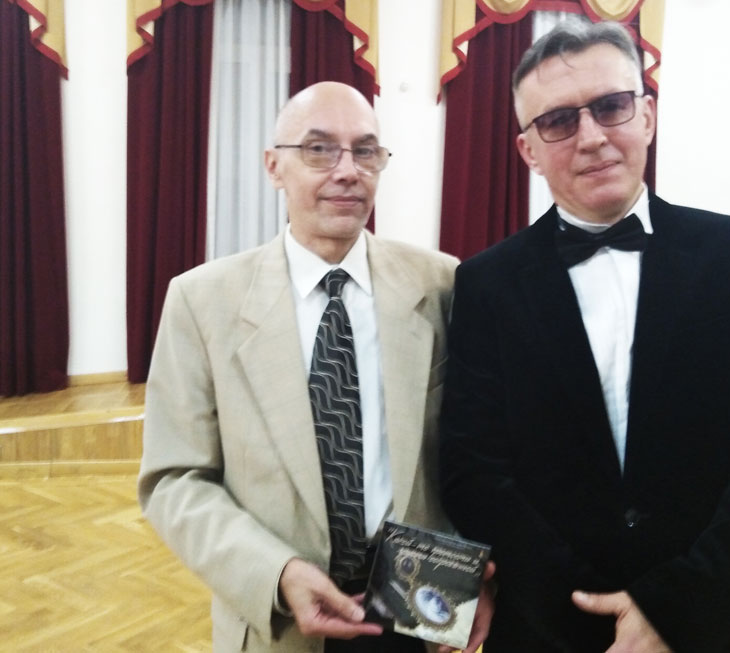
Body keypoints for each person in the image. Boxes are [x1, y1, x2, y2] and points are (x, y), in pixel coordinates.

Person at [438, 19, 730, 653]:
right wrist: (582, 616)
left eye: (611, 106)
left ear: (646, 116)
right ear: (528, 151)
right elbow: (473, 470)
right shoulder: (485, 284)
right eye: (558, 121)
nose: (592, 137)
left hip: (718, 625)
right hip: (551, 631)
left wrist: (680, 609)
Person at [138, 81, 492, 653]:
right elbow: (174, 478)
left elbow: (477, 450)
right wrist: (275, 573)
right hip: (278, 620)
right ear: (273, 166)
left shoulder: (443, 284)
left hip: (417, 608)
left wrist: (478, 573)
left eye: (365, 150)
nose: (347, 171)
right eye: (319, 149)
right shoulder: (202, 302)